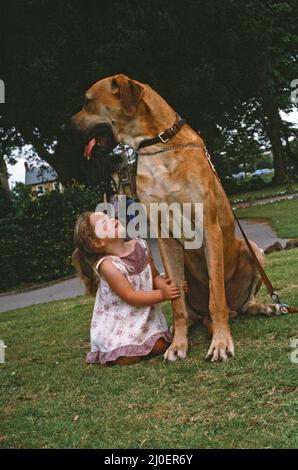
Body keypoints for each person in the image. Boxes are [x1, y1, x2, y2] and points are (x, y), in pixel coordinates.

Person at [72, 211, 188, 365]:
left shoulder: (140, 245)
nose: (112, 219)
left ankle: (144, 340)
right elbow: (131, 296)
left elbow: (154, 276)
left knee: (160, 346)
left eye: (109, 217)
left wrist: (169, 287)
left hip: (144, 318)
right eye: (104, 223)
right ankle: (119, 347)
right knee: (126, 358)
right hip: (121, 321)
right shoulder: (108, 265)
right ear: (98, 243)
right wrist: (162, 294)